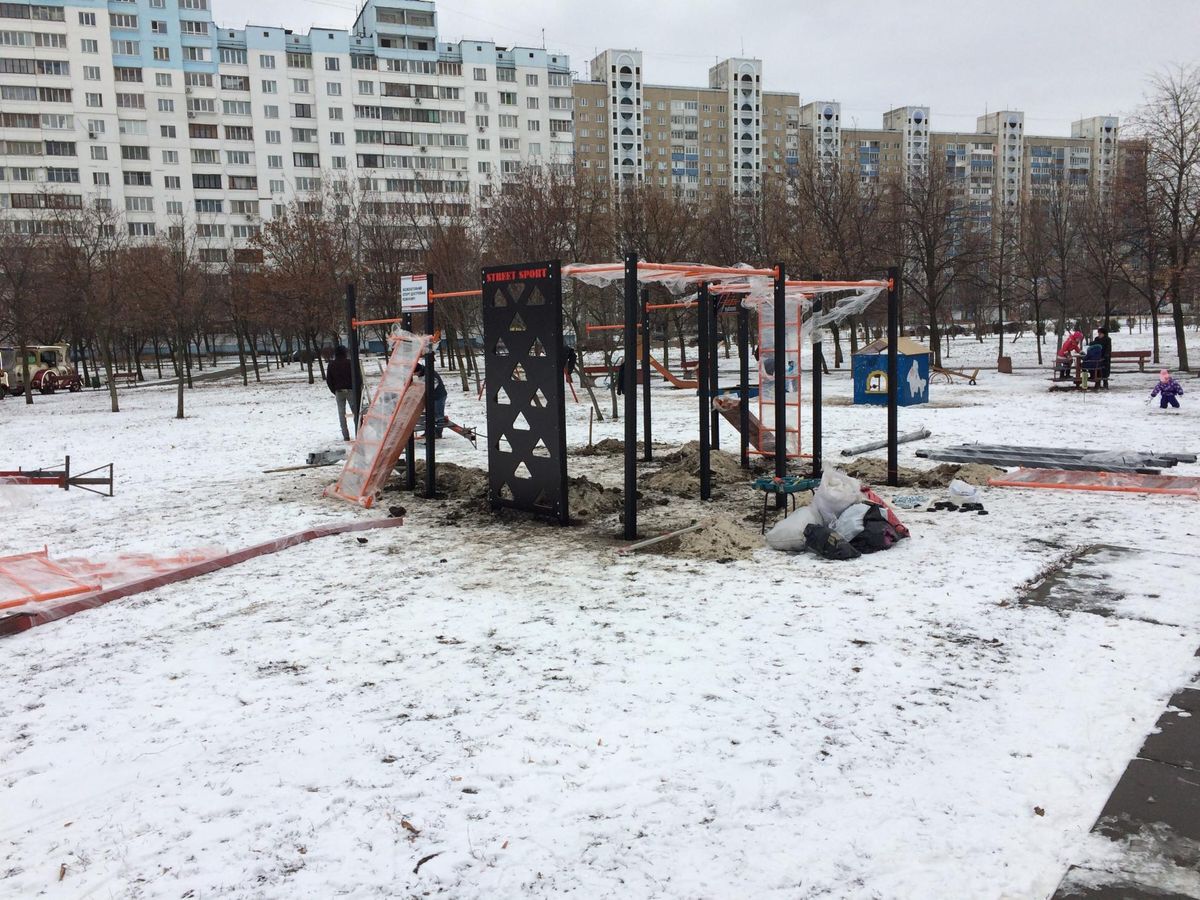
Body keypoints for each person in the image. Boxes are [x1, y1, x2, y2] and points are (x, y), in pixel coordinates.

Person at [325, 346, 359, 441]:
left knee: (341, 414)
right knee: (355, 412)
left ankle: (346, 435)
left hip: (339, 392)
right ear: (345, 353)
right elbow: (357, 377)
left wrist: (334, 391)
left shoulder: (331, 364)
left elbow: (329, 380)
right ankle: (358, 433)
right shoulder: (350, 363)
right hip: (351, 390)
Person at [414, 362, 447, 437]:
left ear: (419, 371)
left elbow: (432, 385)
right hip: (430, 397)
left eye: (415, 373)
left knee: (438, 415)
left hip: (439, 396)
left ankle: (438, 433)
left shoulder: (429, 373)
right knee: (429, 415)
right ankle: (429, 432)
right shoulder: (423, 372)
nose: (415, 375)